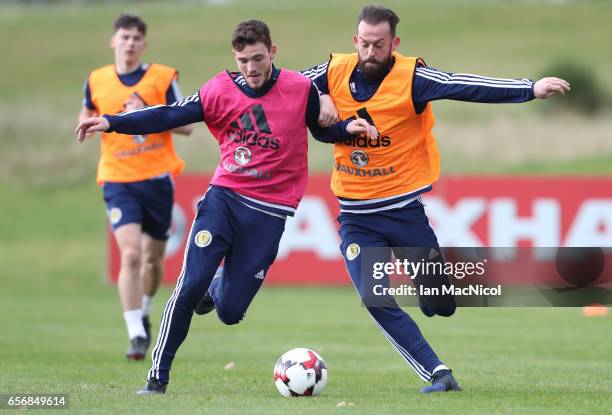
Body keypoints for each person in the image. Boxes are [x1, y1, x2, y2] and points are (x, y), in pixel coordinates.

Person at [76, 19, 375, 395]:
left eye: (257, 58)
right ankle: (156, 379)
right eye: (243, 60)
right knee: (186, 288)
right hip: (224, 200)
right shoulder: (219, 90)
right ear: (234, 57)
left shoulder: (299, 89)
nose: (251, 68)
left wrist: (346, 129)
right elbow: (171, 114)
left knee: (230, 312)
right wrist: (112, 121)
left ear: (273, 52)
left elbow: (320, 129)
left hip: (269, 213)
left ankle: (215, 291)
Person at [301, 4, 570, 393]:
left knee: (440, 303)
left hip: (404, 214)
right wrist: (317, 96)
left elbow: (464, 85)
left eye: (379, 44)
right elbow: (282, 86)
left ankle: (435, 297)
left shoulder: (413, 78)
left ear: (395, 43)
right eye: (364, 43)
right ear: (354, 41)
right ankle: (438, 374)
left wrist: (529, 88)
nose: (370, 51)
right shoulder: (332, 71)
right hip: (355, 217)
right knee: (375, 299)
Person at [78, 14, 194, 361]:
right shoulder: (96, 80)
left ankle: (143, 308)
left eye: (136, 38)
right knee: (129, 255)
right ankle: (136, 334)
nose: (129, 43)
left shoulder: (162, 76)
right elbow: (84, 115)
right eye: (124, 37)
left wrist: (146, 112)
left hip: (157, 179)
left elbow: (186, 124)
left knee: (152, 261)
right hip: (117, 179)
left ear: (144, 43)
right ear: (113, 41)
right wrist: (88, 126)